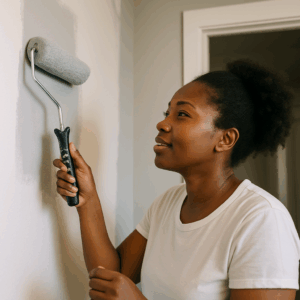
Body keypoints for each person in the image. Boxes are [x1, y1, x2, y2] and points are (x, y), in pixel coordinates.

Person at [53, 59, 300, 300]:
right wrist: (88, 199)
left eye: (182, 114)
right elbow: (111, 277)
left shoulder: (262, 219)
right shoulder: (166, 204)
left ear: (225, 139)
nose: (162, 123)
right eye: (167, 112)